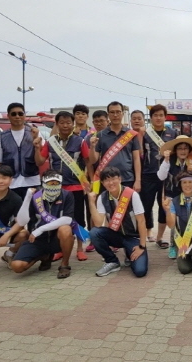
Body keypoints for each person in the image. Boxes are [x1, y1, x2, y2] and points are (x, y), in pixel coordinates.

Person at [34, 111, 89, 261]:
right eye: (62, 123)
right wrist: (37, 148)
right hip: (56, 189)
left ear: (73, 124)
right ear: (57, 124)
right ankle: (60, 249)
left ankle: (79, 248)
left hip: (76, 187)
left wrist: (88, 182)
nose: (65, 126)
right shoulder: (50, 142)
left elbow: (88, 161)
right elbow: (40, 161)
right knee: (57, 218)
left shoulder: (80, 141)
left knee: (78, 218)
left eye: (68, 123)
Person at [11, 170, 76, 279]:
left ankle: (64, 264)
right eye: (50, 183)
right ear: (43, 183)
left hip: (56, 239)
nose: (53, 186)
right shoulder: (35, 196)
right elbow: (22, 221)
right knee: (17, 266)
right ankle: (43, 256)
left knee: (65, 229)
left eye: (56, 183)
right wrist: (27, 198)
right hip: (37, 240)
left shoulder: (67, 195)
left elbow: (67, 219)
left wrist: (40, 229)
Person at [88, 167, 148, 278]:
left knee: (140, 271)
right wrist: (91, 203)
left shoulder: (132, 195)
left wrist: (142, 246)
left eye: (113, 179)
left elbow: (141, 221)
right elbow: (98, 223)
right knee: (94, 232)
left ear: (119, 179)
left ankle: (129, 252)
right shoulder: (102, 197)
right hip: (116, 235)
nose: (110, 183)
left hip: (133, 237)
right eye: (107, 180)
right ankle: (112, 261)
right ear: (102, 183)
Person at [157, 135, 192, 257]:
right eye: (180, 148)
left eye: (185, 148)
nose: (183, 151)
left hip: (188, 196)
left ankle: (187, 243)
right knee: (173, 222)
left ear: (189, 150)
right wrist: (166, 160)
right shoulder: (169, 160)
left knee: (186, 220)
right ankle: (173, 245)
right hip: (171, 196)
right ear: (175, 150)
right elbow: (161, 177)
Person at [139, 104, 178, 245]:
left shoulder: (173, 133)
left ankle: (160, 237)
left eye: (161, 115)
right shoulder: (145, 133)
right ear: (151, 117)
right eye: (155, 115)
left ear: (165, 117)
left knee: (163, 207)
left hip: (166, 176)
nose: (158, 118)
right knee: (146, 206)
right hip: (148, 174)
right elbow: (140, 153)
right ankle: (146, 234)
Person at [0, 102, 41, 199]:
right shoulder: (0, 137)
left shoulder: (35, 134)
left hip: (32, 182)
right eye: (13, 114)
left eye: (20, 113)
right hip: (10, 184)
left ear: (24, 115)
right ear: (8, 116)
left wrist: (37, 143)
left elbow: (41, 161)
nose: (17, 116)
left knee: (32, 209)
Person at [89, 101, 141, 192]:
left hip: (128, 179)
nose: (115, 115)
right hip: (107, 180)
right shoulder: (100, 135)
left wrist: (138, 180)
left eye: (118, 112)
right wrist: (92, 147)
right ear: (108, 115)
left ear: (122, 114)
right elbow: (93, 160)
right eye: (112, 112)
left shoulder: (131, 134)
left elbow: (136, 159)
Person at [164, 171, 192, 274]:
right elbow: (171, 225)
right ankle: (189, 258)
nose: (187, 185)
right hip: (182, 240)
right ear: (180, 185)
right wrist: (167, 211)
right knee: (184, 269)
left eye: (190, 182)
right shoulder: (175, 201)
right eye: (184, 182)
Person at [82, 110, 109, 252]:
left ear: (107, 121)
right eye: (96, 121)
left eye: (102, 121)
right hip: (96, 178)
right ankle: (93, 239)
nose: (99, 124)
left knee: (112, 208)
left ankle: (112, 238)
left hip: (111, 178)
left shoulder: (112, 136)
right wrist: (92, 179)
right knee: (93, 207)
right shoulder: (88, 139)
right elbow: (88, 162)